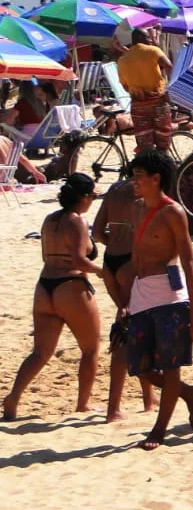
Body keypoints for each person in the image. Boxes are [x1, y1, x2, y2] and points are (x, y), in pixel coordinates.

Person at [125, 150, 193, 449]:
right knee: (141, 367)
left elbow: (188, 262)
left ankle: (159, 429)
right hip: (140, 293)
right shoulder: (136, 209)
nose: (134, 182)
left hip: (170, 296)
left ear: (156, 179)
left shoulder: (173, 212)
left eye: (139, 177)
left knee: (171, 365)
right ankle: (189, 394)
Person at [3, 174, 102, 420]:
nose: (93, 199)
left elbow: (48, 256)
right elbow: (79, 260)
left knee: (40, 353)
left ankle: (13, 397)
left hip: (45, 286)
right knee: (90, 349)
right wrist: (102, 271)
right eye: (93, 195)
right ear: (83, 197)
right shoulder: (77, 221)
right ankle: (83, 404)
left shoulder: (50, 219)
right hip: (70, 285)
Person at [92, 177, 155, 422]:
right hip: (129, 260)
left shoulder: (114, 189)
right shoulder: (141, 191)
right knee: (130, 334)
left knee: (129, 328)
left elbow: (97, 232)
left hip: (110, 261)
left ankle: (149, 398)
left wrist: (116, 241)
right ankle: (113, 409)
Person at [117, 29, 174, 153]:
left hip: (138, 105)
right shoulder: (153, 51)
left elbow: (125, 87)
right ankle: (163, 166)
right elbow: (169, 66)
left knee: (144, 145)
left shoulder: (122, 60)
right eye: (148, 38)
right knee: (163, 142)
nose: (150, 40)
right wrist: (171, 88)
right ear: (142, 39)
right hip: (158, 102)